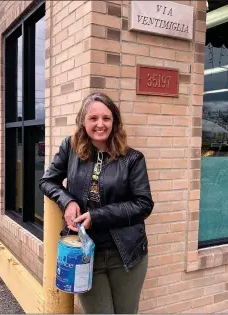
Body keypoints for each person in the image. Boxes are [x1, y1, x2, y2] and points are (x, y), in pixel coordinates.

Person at [39, 92, 154, 314]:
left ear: (115, 121)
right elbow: (48, 181)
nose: (100, 124)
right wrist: (68, 200)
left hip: (127, 255)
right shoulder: (70, 149)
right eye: (93, 118)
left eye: (106, 118)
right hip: (84, 253)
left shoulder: (133, 159)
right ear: (83, 120)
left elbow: (143, 204)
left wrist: (97, 216)